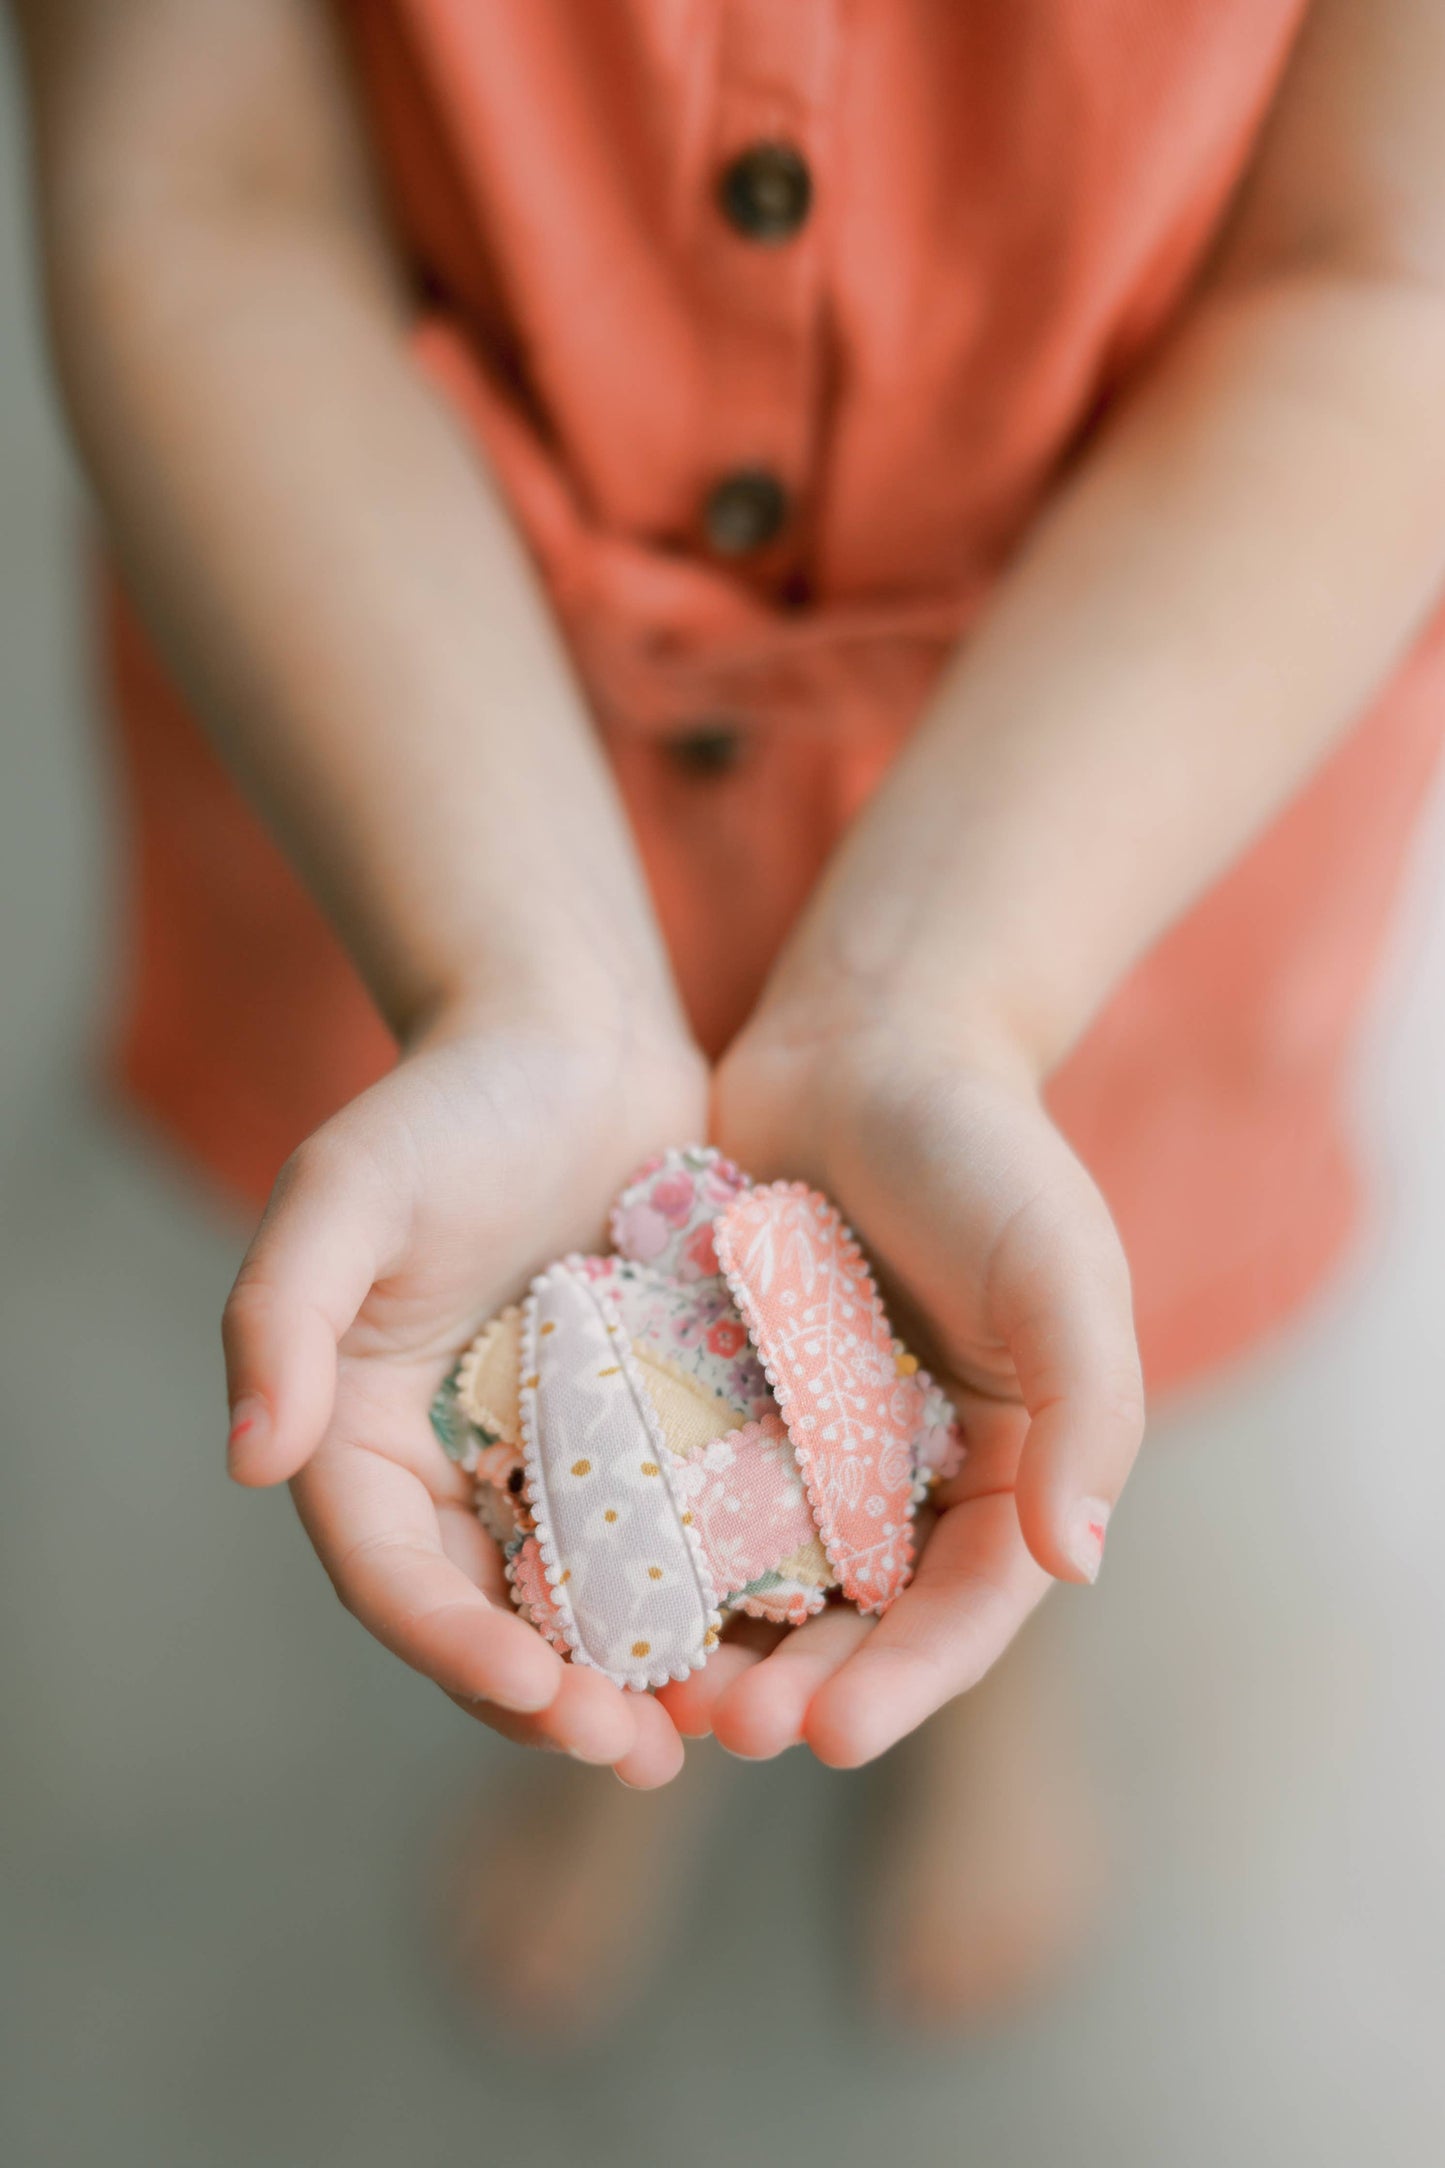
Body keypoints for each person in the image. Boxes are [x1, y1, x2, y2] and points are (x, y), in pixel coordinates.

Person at [13, 0, 1445, 2027]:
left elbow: (1383, 275)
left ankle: (970, 1679)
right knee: (819, 1417)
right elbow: (194, 181)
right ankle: (659, 1688)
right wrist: (518, 975)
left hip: (1123, 735)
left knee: (1034, 1346)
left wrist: (940, 991)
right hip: (429, 684)